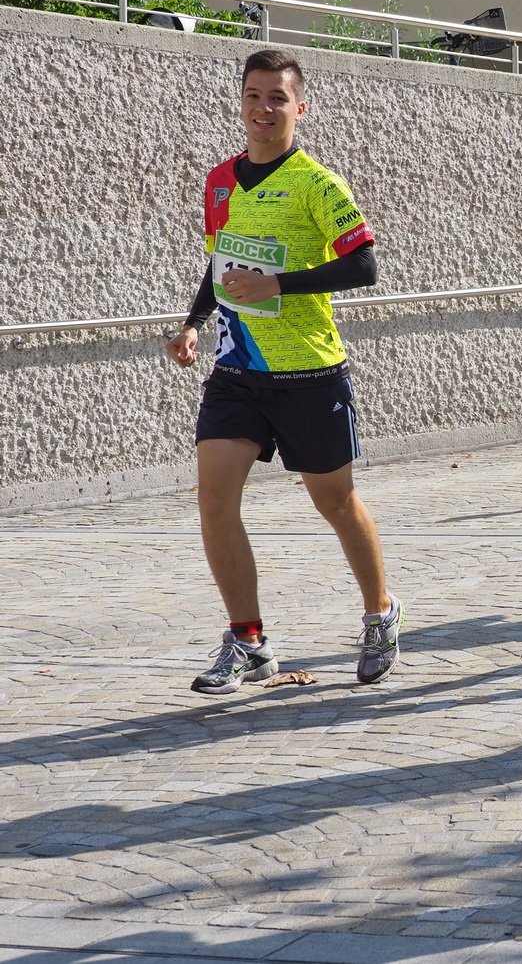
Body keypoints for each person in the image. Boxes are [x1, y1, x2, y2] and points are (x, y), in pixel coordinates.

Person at [166, 48, 400, 693]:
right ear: (240, 103)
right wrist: (191, 322)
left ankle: (380, 613)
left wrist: (278, 284)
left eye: (277, 98)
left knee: (334, 500)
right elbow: (220, 268)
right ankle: (247, 641)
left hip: (309, 374)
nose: (264, 109)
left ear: (300, 107)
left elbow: (363, 267)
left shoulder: (317, 184)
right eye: (253, 96)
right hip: (237, 371)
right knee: (214, 500)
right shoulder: (219, 181)